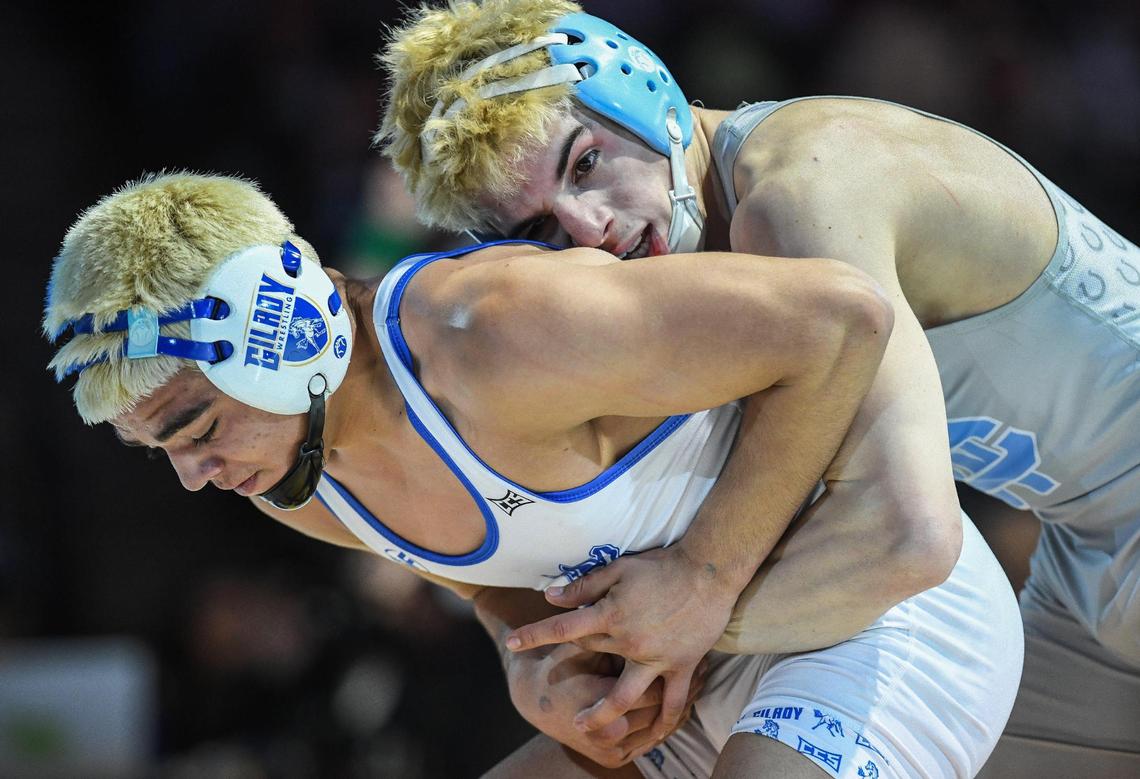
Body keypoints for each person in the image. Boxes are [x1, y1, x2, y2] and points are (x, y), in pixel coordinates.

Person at [375, 1, 1140, 776]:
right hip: (1085, 563)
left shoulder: (803, 186)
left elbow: (907, 534)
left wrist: (683, 607)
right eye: (539, 231)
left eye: (585, 164)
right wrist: (543, 661)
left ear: (643, 93)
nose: (586, 227)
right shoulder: (664, 294)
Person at [44, 173, 1022, 778]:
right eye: (158, 450)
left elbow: (843, 320)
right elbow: (488, 568)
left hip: (870, 610)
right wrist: (529, 662)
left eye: (193, 426)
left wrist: (706, 573)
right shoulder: (296, 484)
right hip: (688, 672)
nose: (192, 475)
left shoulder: (499, 329)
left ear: (272, 334)